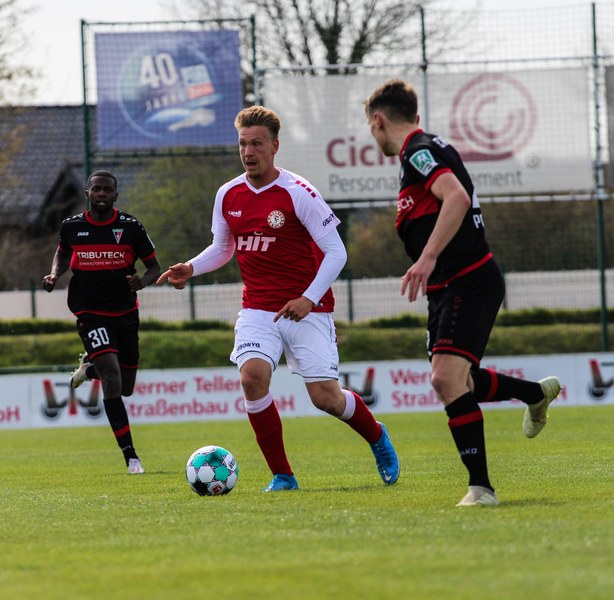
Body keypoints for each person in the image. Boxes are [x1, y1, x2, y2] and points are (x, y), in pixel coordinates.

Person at [157, 105, 400, 492]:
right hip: (257, 309)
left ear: (274, 146)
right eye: (242, 144)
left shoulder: (298, 192)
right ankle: (283, 476)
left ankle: (376, 436)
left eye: (257, 144)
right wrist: (191, 267)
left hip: (308, 310)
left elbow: (336, 252)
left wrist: (307, 299)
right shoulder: (228, 194)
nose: (248, 152)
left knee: (326, 399)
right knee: (252, 378)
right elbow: (223, 248)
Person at [364, 79, 561, 507]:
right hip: (448, 286)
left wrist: (428, 256)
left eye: (370, 127)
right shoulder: (424, 149)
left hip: (467, 280)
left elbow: (456, 196)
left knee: (445, 379)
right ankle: (534, 393)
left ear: (378, 120)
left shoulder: (418, 151)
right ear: (415, 115)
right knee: (461, 381)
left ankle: (481, 489)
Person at [42, 170, 161, 475]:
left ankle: (89, 369)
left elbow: (154, 267)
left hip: (125, 312)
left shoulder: (131, 227)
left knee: (126, 387)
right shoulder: (72, 226)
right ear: (88, 194)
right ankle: (131, 457)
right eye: (97, 189)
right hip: (89, 312)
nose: (102, 194)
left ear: (115, 196)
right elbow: (62, 254)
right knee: (112, 376)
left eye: (107, 190)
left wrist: (142, 281)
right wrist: (55, 274)